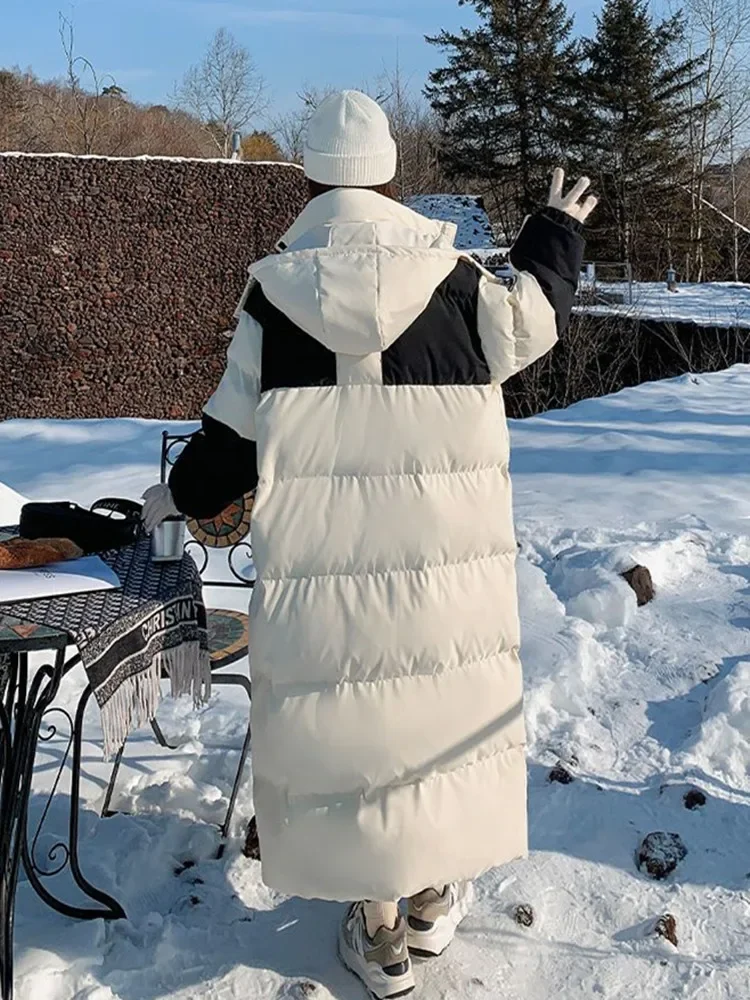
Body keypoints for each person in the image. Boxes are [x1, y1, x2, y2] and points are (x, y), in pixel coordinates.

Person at [142, 90, 597, 999]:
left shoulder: (275, 297)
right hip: (444, 577)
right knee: (431, 730)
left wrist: (179, 494)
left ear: (310, 175)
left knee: (357, 739)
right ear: (388, 173)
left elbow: (228, 444)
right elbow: (536, 320)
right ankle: (429, 900)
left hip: (327, 582)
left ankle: (381, 929)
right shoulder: (459, 283)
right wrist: (552, 232)